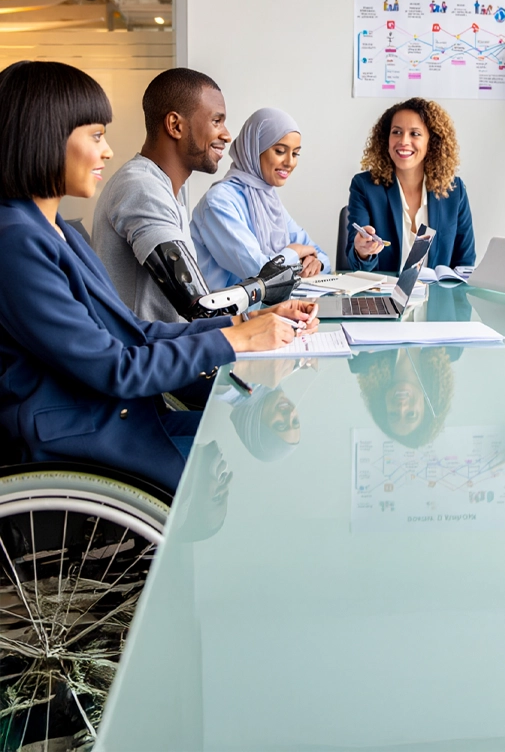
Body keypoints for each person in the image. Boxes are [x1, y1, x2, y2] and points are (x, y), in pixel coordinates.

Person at [0, 62, 318, 476]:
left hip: (117, 408)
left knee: (248, 441)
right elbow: (120, 362)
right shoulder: (18, 240)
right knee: (254, 464)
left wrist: (247, 320)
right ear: (44, 135)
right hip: (85, 428)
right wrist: (236, 335)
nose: (107, 150)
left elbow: (133, 331)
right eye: (96, 135)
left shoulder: (55, 229)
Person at [93, 67, 234, 323]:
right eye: (217, 121)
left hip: (169, 351)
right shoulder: (143, 187)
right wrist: (264, 292)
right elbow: (199, 306)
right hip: (149, 356)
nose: (226, 135)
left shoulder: (165, 188)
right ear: (175, 126)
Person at [191, 107, 329, 290]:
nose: (290, 162)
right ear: (254, 150)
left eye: (295, 154)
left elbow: (321, 256)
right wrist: (296, 252)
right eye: (280, 151)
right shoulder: (219, 202)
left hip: (265, 311)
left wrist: (315, 261)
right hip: (227, 316)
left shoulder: (268, 199)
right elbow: (260, 273)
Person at [347, 97, 475, 273]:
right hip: (382, 296)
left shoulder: (454, 190)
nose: (403, 141)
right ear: (386, 138)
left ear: (432, 141)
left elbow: (465, 263)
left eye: (415, 133)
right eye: (396, 132)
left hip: (436, 298)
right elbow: (357, 265)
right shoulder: (365, 186)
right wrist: (362, 252)